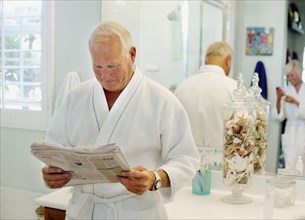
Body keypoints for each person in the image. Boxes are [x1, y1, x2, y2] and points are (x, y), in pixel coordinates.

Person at [41, 21, 200, 219]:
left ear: (132, 54)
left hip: (135, 212)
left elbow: (186, 159)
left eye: (112, 66)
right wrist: (51, 174)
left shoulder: (162, 100)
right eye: (97, 66)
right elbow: (53, 149)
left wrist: (154, 178)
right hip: (84, 211)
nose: (105, 75)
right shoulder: (75, 97)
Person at [174, 41, 236, 169]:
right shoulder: (234, 88)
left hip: (186, 163)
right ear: (228, 61)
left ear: (206, 60)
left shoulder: (183, 86)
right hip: (223, 165)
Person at [273, 60, 305, 177]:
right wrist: (279, 99)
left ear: (299, 73)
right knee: (290, 165)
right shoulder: (285, 91)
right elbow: (279, 116)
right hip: (291, 131)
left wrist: (296, 103)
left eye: (292, 75)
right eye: (288, 76)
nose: (290, 79)